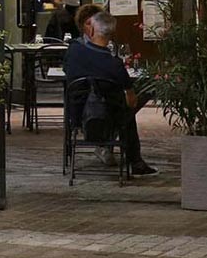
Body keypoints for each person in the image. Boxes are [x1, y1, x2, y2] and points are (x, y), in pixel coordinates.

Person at [62, 9, 157, 177]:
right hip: (109, 120)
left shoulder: (73, 51)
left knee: (124, 109)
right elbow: (131, 101)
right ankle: (134, 161)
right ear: (111, 34)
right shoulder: (114, 65)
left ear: (90, 30)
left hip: (76, 115)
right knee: (131, 107)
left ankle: (122, 156)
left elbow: (67, 72)